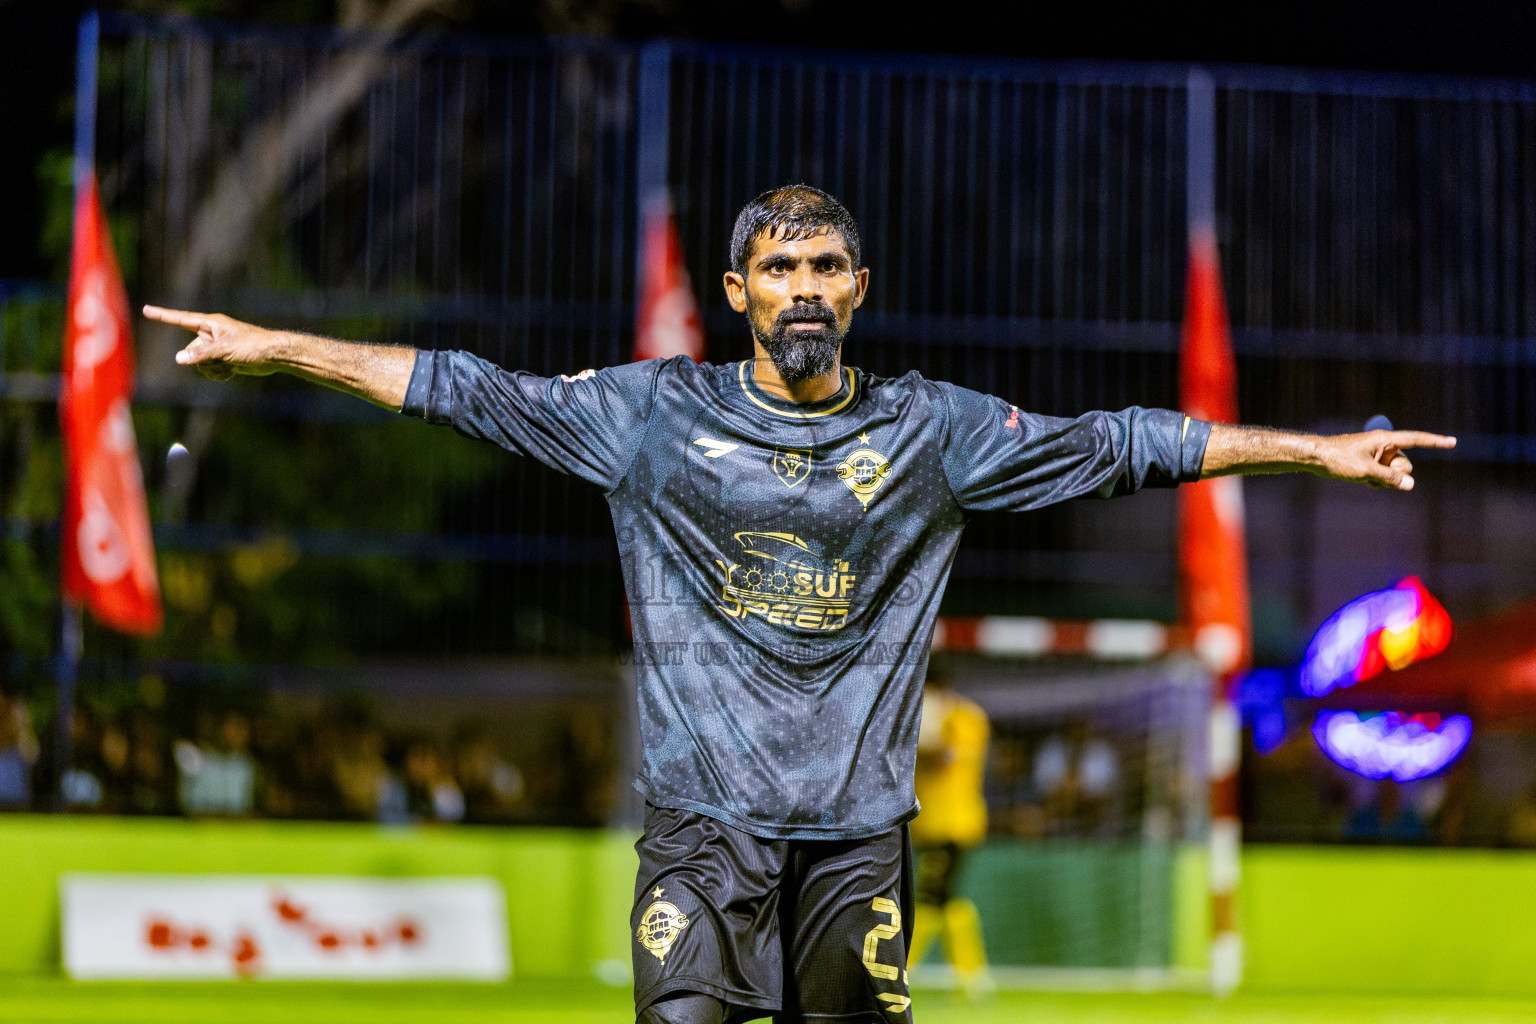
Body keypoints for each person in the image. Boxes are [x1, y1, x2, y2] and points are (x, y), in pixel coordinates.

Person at [144, 184, 1455, 1023]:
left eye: (828, 265)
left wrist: (1315, 450)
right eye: (780, 269)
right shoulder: (650, 419)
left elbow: (1123, 443)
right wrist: (278, 346)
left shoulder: (936, 433)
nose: (807, 287)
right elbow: (460, 384)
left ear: (859, 289)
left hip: (857, 845)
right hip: (702, 837)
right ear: (739, 295)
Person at [908, 666, 991, 996]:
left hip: (954, 823)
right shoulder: (921, 716)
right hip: (927, 823)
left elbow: (945, 759)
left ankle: (902, 970)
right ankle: (971, 977)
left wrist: (921, 735)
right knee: (944, 898)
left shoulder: (965, 718)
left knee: (930, 896)